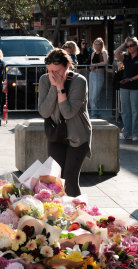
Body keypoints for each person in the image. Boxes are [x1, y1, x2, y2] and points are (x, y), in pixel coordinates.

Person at [38, 48, 91, 197]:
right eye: (50, 71)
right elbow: (44, 111)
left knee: (70, 181)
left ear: (67, 66)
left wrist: (60, 87)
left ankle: (80, 216)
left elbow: (68, 112)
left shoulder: (79, 81)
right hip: (56, 135)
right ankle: (60, 216)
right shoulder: (44, 80)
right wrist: (54, 87)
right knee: (56, 181)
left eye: (57, 71)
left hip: (78, 135)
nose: (53, 75)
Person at [114, 37, 138, 141]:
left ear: (136, 46)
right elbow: (116, 53)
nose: (130, 48)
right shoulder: (126, 57)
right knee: (125, 111)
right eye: (128, 46)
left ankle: (136, 133)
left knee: (136, 111)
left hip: (136, 87)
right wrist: (124, 43)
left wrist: (130, 79)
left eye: (132, 45)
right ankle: (126, 132)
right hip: (124, 87)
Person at [88, 37, 108, 118]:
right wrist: (91, 67)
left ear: (101, 45)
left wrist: (96, 65)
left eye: (98, 44)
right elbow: (91, 64)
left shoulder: (103, 52)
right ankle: (95, 113)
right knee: (91, 96)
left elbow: (105, 62)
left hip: (99, 73)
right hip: (92, 73)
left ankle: (95, 114)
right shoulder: (93, 53)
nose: (96, 46)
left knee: (96, 95)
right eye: (95, 44)